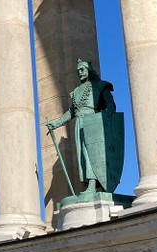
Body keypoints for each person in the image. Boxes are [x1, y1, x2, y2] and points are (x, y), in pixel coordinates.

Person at [47, 59, 121, 195]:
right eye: (78, 71)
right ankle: (89, 183)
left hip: (93, 123)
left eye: (82, 69)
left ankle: (93, 184)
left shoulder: (99, 85)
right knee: (82, 155)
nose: (79, 72)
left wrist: (107, 115)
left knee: (91, 154)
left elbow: (110, 104)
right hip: (79, 124)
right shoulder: (76, 91)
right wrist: (56, 123)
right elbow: (72, 112)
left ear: (89, 70)